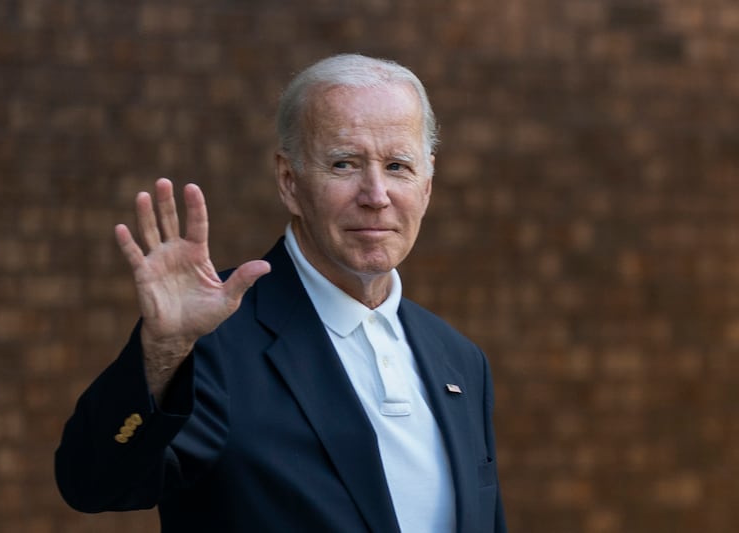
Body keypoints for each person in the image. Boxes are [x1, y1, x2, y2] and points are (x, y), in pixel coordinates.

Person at [55, 53, 506, 533]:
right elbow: (92, 484)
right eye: (344, 164)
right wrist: (164, 351)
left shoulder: (460, 361)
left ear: (427, 185)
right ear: (289, 182)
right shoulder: (212, 339)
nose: (376, 194)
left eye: (398, 166)